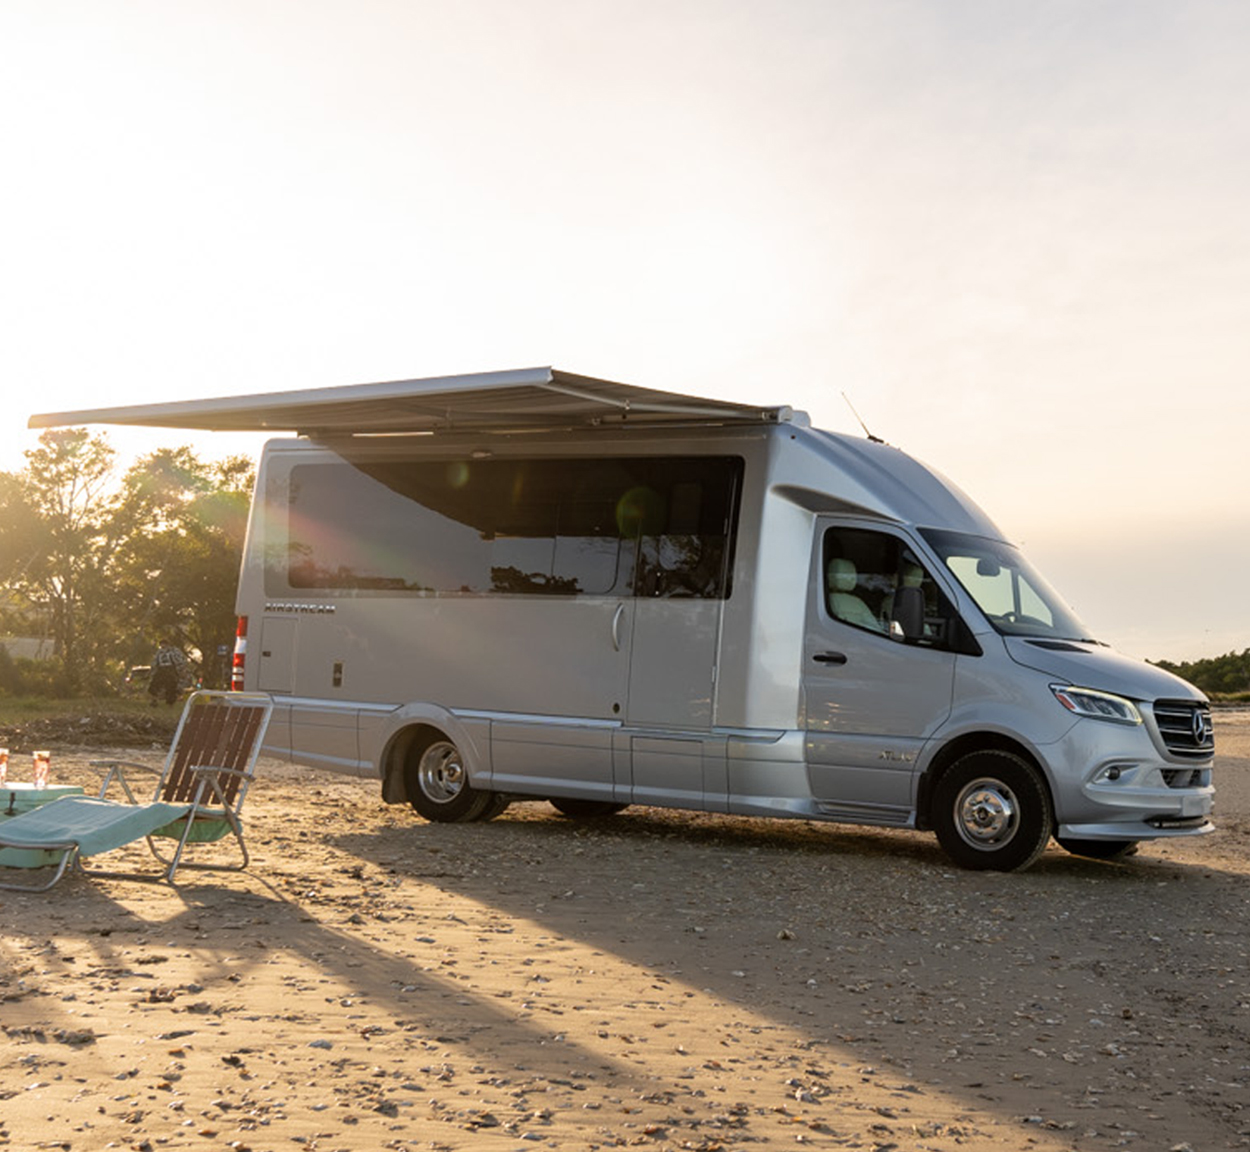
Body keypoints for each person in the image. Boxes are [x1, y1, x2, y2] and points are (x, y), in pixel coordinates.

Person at [148, 638, 188, 705]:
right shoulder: (159, 652)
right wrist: (152, 670)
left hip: (170, 669)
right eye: (161, 645)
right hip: (161, 669)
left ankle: (170, 701)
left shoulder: (174, 651)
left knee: (171, 685)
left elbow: (180, 660)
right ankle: (154, 700)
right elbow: (155, 662)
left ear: (168, 644)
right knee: (155, 684)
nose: (163, 646)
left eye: (164, 644)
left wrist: (181, 669)